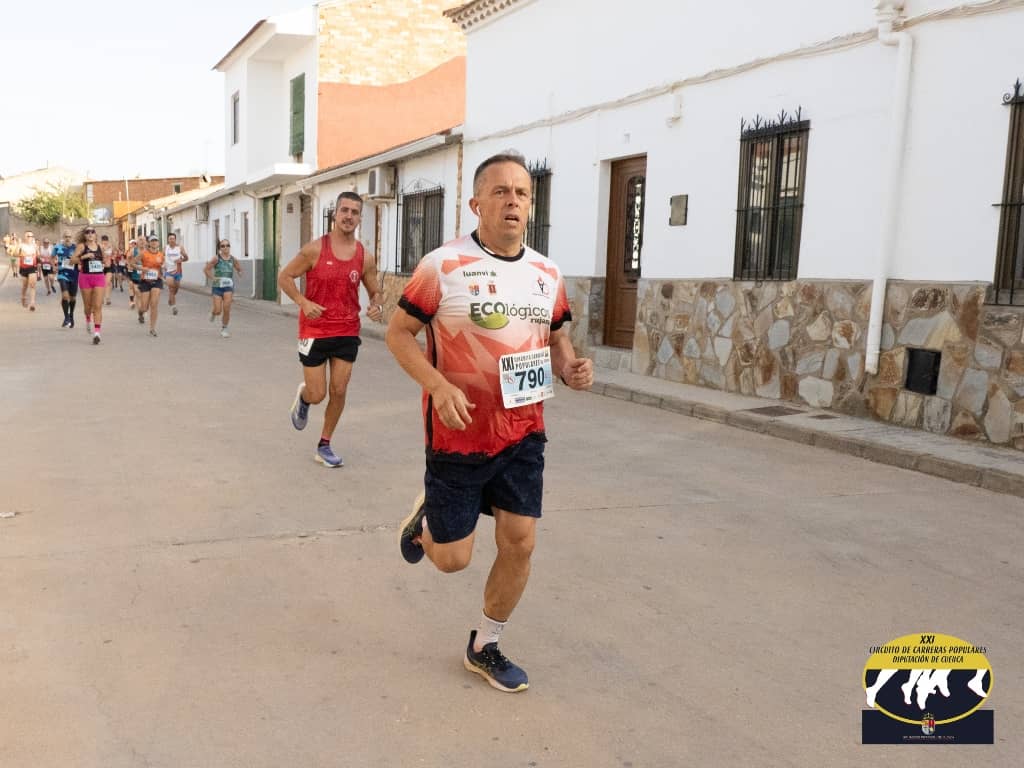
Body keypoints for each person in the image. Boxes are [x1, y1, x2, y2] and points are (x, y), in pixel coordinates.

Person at [385, 152, 594, 693]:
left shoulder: (547, 274)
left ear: (531, 205)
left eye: (522, 193)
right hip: (458, 434)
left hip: (524, 432)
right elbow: (398, 334)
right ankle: (425, 522)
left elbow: (556, 336)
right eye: (500, 192)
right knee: (453, 560)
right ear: (477, 203)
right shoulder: (442, 266)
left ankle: (485, 645)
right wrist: (438, 385)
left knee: (520, 542)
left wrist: (569, 366)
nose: (512, 201)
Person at [278, 191, 384, 468]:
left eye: (354, 212)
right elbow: (285, 276)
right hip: (314, 330)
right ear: (335, 214)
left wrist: (376, 306)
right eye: (344, 210)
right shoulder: (314, 249)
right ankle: (304, 398)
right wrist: (303, 302)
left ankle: (324, 444)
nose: (349, 216)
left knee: (339, 389)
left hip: (347, 330)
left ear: (360, 218)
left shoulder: (365, 257)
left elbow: (375, 292)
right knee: (318, 394)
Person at [71, 227, 110, 344]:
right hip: (85, 278)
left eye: (92, 232)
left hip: (99, 277)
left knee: (97, 306)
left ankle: (97, 333)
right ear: (84, 235)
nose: (90, 234)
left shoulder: (100, 247)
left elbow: (107, 262)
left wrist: (105, 262)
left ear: (95, 235)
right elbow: (72, 260)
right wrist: (85, 256)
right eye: (87, 232)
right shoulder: (81, 246)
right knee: (88, 307)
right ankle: (88, 318)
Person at [204, 239, 242, 338]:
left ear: (229, 247)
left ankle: (224, 328)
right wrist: (213, 278)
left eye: (227, 245)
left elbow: (239, 268)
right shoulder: (216, 258)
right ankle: (213, 313)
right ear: (220, 248)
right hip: (217, 287)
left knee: (227, 308)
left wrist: (239, 272)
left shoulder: (233, 259)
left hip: (228, 287)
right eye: (223, 246)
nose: (225, 247)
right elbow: (206, 269)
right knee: (218, 310)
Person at [136, 234, 164, 336]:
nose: (154, 242)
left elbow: (163, 267)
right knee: (144, 308)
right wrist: (142, 268)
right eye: (152, 241)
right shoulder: (144, 253)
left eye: (156, 240)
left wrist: (163, 270)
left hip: (157, 281)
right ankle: (140, 312)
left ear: (158, 243)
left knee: (154, 304)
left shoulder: (161, 255)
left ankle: (152, 328)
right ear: (149, 243)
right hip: (145, 281)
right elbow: (132, 263)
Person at [54, 232, 79, 328]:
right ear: (63, 237)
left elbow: (80, 259)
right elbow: (52, 257)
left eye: (69, 237)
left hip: (74, 275)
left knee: (73, 298)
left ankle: (71, 315)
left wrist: (74, 260)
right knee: (65, 296)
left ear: (72, 238)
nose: (68, 238)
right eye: (66, 237)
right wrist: (54, 266)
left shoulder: (76, 247)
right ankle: (66, 317)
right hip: (62, 274)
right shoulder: (57, 247)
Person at [163, 232, 189, 315]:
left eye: (173, 239)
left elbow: (186, 258)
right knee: (171, 288)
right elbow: (161, 257)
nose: (172, 240)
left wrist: (181, 260)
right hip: (168, 271)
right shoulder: (165, 248)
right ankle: (174, 307)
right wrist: (163, 265)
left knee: (176, 288)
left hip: (178, 271)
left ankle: (171, 299)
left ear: (175, 239)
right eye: (170, 239)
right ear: (168, 240)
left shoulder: (180, 248)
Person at [16, 231, 40, 310]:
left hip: (32, 267)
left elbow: (38, 255)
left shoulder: (35, 245)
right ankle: (23, 297)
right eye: (28, 236)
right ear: (25, 237)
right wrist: (22, 254)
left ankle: (32, 303)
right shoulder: (21, 245)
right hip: (23, 267)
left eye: (31, 236)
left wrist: (37, 255)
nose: (30, 237)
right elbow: (15, 253)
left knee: (32, 285)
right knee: (25, 285)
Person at [100, 235, 115, 306]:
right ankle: (102, 297)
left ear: (108, 241)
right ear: (101, 241)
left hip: (109, 266)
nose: (105, 242)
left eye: (106, 241)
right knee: (102, 283)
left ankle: (108, 298)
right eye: (103, 241)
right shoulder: (99, 247)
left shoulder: (110, 247)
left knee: (107, 282)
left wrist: (113, 257)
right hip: (101, 267)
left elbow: (114, 254)